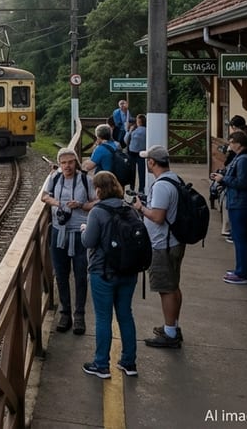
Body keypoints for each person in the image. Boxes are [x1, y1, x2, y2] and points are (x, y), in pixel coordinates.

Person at [80, 170, 138, 379]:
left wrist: (85, 229)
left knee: (103, 318)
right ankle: (129, 362)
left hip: (102, 271)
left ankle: (101, 364)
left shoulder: (97, 211)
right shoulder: (129, 209)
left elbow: (89, 241)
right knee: (125, 314)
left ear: (98, 189)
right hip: (128, 271)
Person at [40, 148, 96, 335]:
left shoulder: (85, 180)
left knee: (80, 275)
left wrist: (81, 205)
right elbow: (44, 196)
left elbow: (96, 201)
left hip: (80, 233)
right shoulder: (54, 178)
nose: (67, 166)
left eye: (71, 162)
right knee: (61, 274)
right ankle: (65, 313)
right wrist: (58, 204)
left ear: (76, 162)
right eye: (63, 163)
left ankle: (79, 315)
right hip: (59, 231)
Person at [135, 145, 185, 348]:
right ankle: (172, 327)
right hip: (173, 241)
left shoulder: (162, 186)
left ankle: (170, 334)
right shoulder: (174, 178)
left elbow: (157, 217)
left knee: (167, 289)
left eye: (148, 160)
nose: (147, 163)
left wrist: (140, 208)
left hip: (163, 245)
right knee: (173, 286)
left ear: (152, 162)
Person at [213, 131, 247, 285]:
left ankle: (242, 273)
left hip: (241, 203)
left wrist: (223, 179)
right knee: (240, 238)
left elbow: (242, 182)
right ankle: (241, 269)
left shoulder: (244, 161)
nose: (230, 144)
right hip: (239, 202)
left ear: (239, 144)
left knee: (240, 239)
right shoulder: (242, 158)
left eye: (231, 142)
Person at [127, 114, 148, 194]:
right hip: (142, 152)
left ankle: (132, 188)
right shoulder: (147, 130)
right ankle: (141, 189)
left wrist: (129, 131)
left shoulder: (134, 130)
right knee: (141, 171)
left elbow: (126, 140)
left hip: (132, 152)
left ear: (138, 121)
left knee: (132, 171)